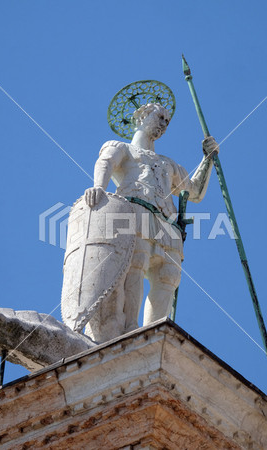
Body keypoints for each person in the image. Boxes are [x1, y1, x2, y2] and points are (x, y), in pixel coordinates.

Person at [81, 103, 219, 342]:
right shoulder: (122, 148)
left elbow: (194, 192)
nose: (164, 124)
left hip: (167, 222)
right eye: (160, 117)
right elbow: (105, 163)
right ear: (141, 116)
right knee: (136, 263)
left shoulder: (168, 163)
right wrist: (98, 188)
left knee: (168, 276)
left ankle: (154, 335)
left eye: (167, 121)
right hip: (136, 209)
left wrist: (208, 159)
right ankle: (131, 328)